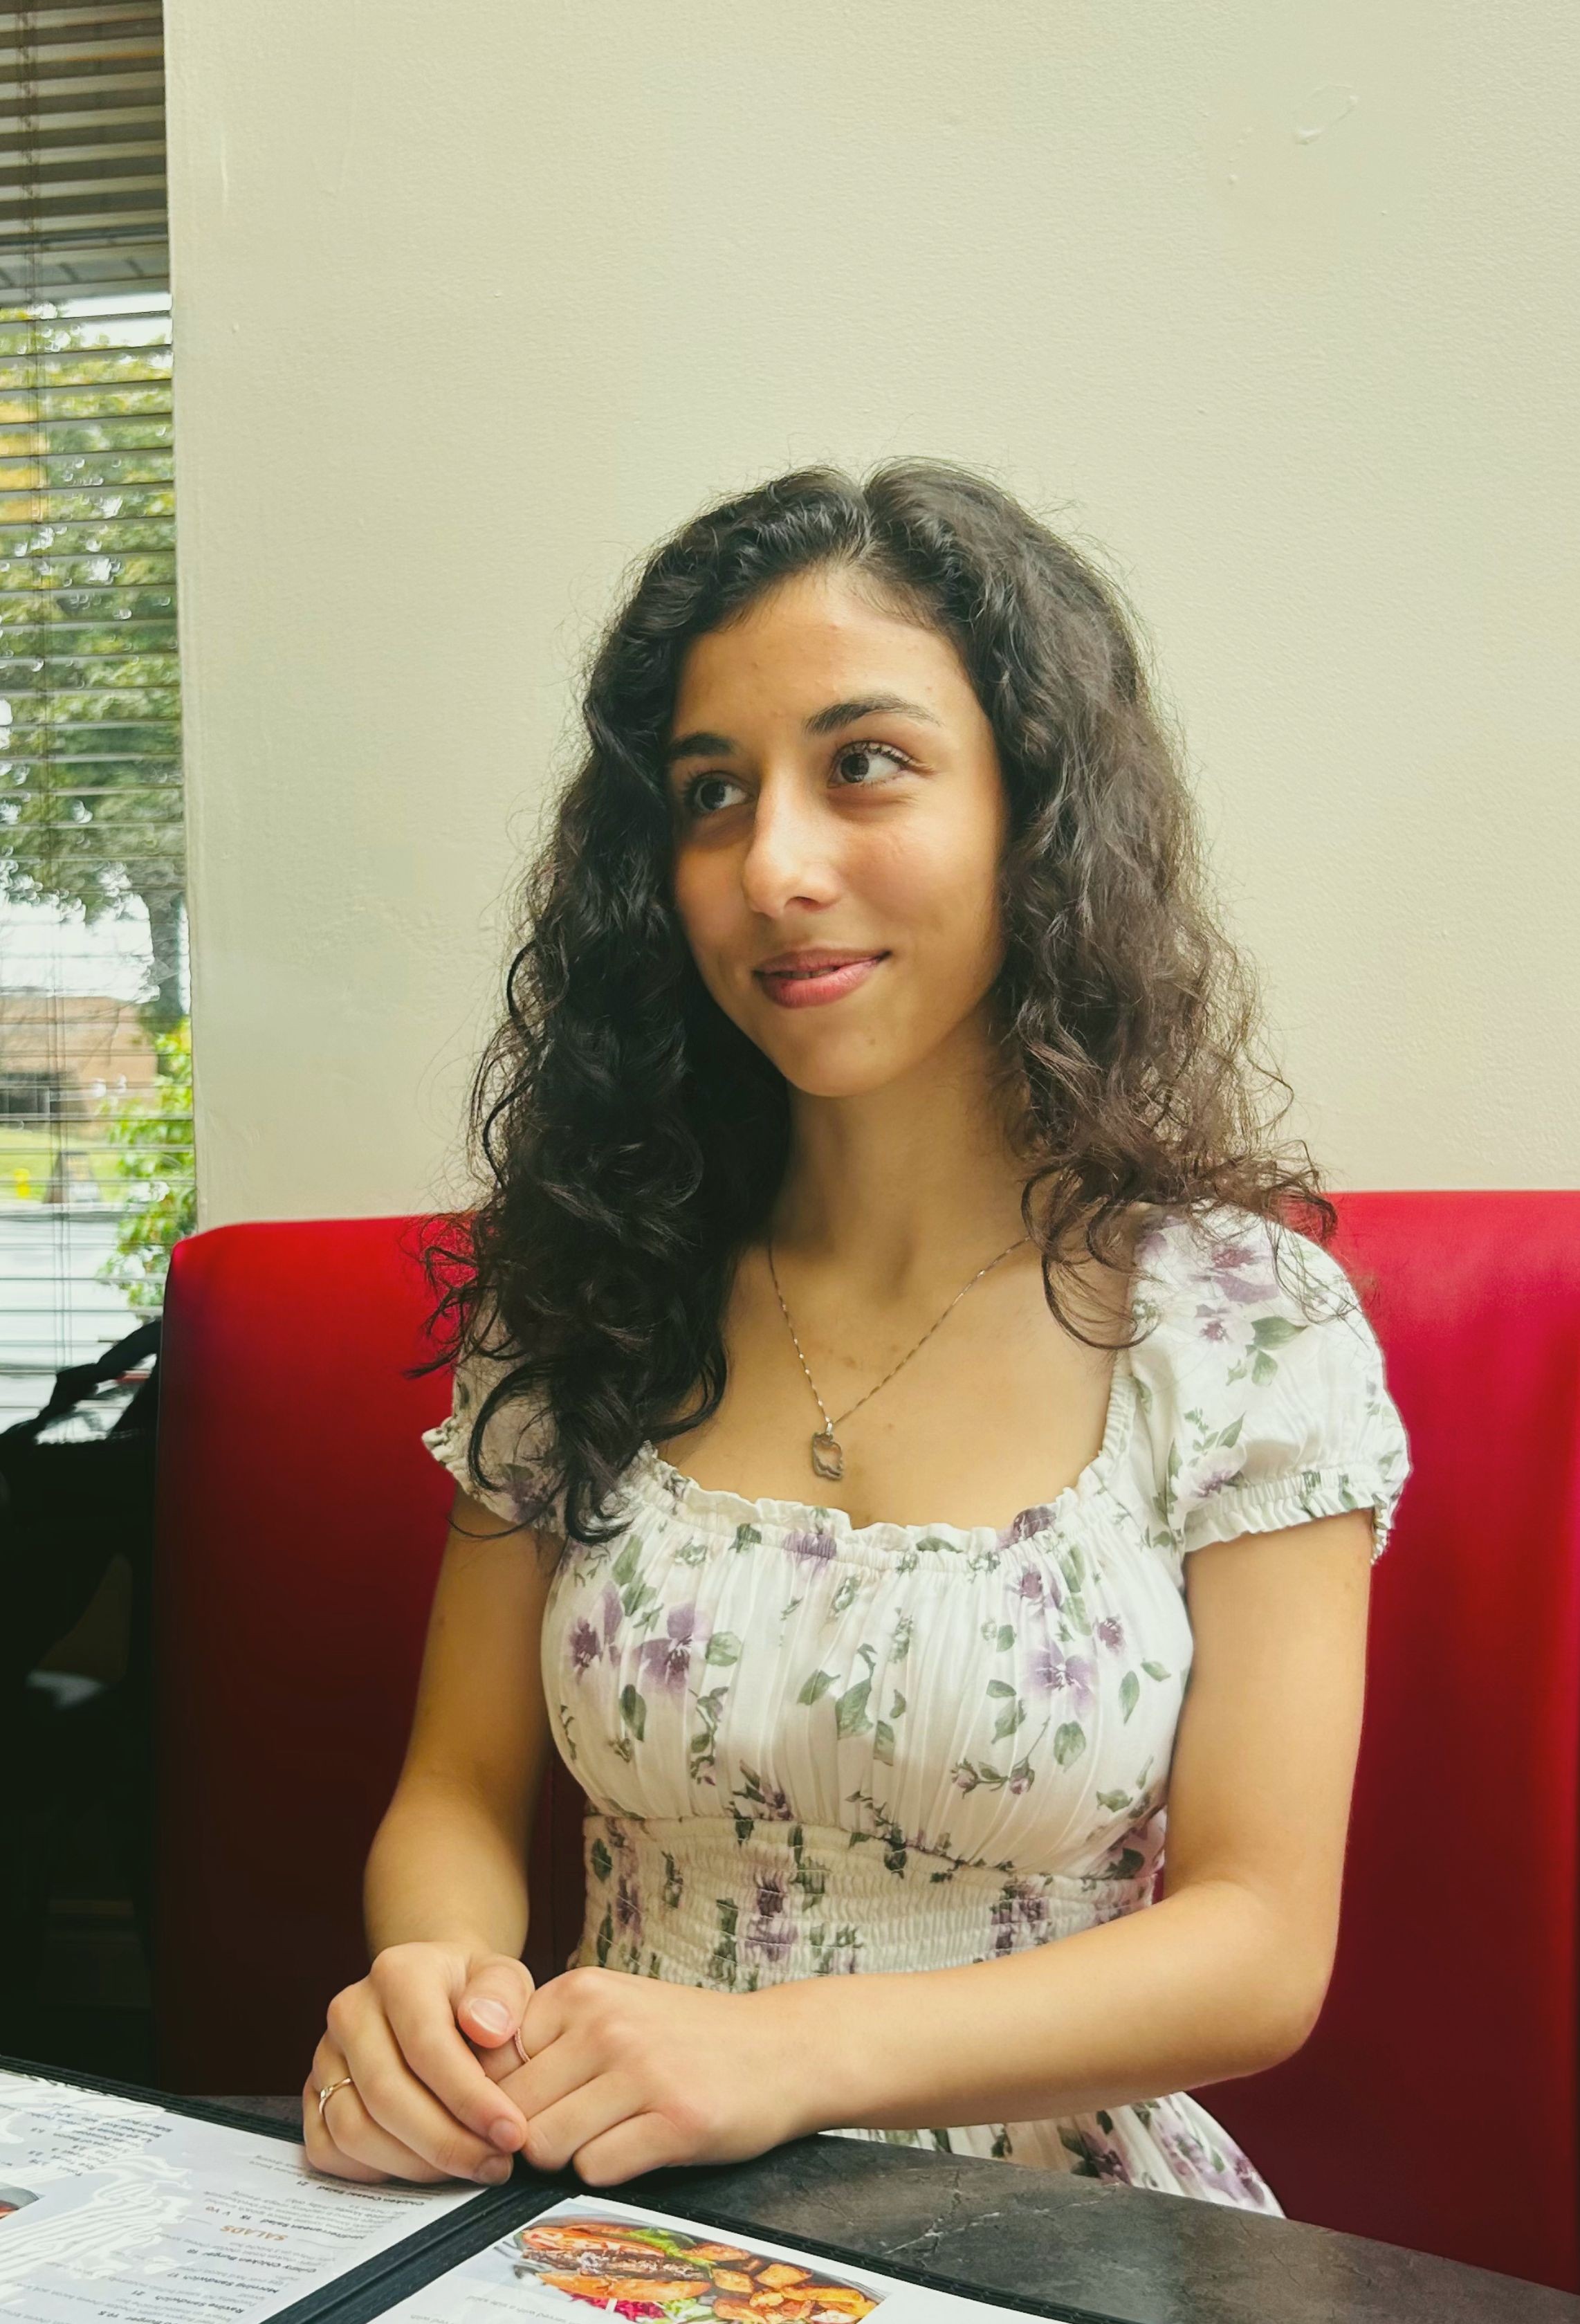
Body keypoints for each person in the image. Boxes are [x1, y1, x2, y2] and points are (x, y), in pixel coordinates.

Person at [302, 461, 1411, 2210]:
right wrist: (436, 1991)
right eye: (710, 795)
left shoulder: (1238, 1325)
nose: (773, 867)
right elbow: (455, 1787)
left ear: (1031, 809)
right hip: (614, 2191)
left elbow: (1258, 1946)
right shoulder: (587, 1284)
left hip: (1047, 2222)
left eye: (863, 764)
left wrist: (790, 2051)